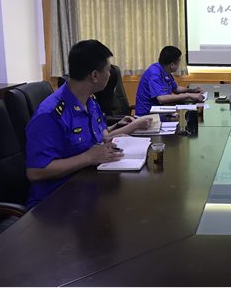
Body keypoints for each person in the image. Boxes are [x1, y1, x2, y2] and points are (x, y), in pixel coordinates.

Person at [25, 40, 149, 209]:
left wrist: (111, 138)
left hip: (88, 188)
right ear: (95, 76)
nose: (110, 74)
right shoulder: (50, 115)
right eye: (108, 70)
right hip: (54, 204)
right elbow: (35, 172)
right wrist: (89, 157)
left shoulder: (90, 102)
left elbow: (98, 137)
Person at [135, 46, 204, 116]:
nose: (179, 64)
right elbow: (161, 99)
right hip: (147, 115)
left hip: (160, 110)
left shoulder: (164, 70)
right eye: (179, 61)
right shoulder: (154, 74)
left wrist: (192, 90)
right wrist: (188, 95)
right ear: (172, 65)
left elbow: (175, 89)